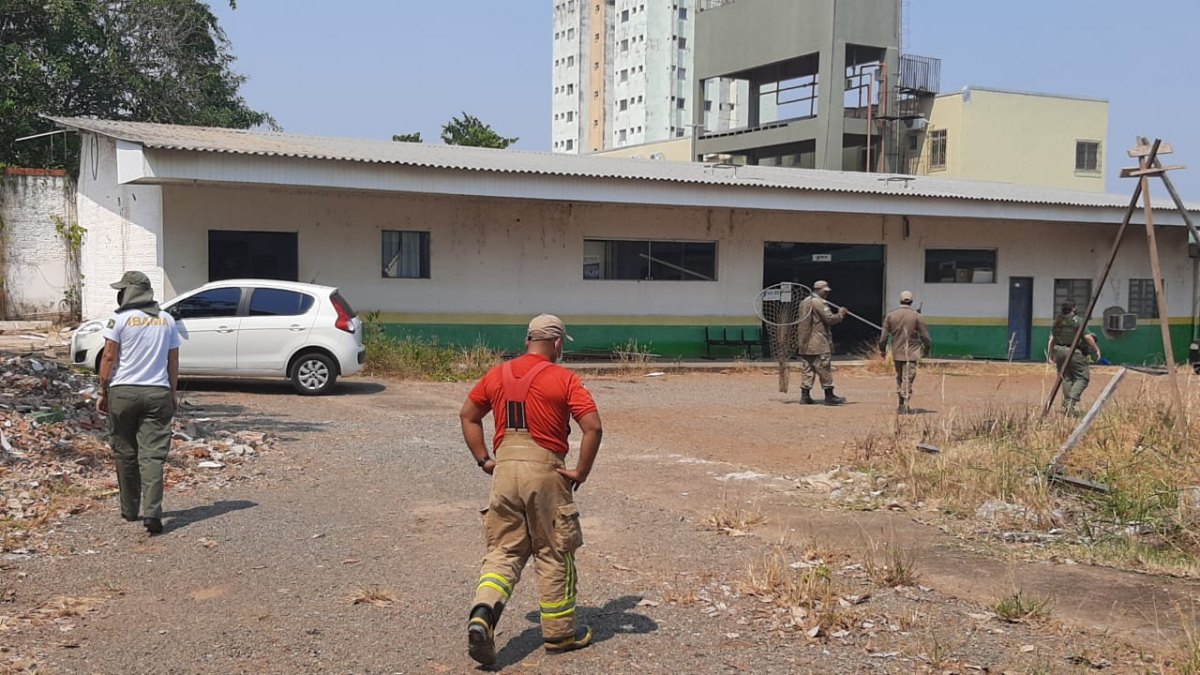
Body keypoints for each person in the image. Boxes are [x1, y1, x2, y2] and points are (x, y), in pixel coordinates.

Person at [460, 314, 603, 666]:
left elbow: (468, 415)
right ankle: (560, 635)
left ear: (527, 340)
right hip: (547, 471)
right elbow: (593, 428)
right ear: (557, 343)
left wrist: (484, 460)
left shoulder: (496, 374)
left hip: (505, 472)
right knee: (554, 551)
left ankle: (483, 613)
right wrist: (580, 472)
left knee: (503, 552)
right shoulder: (564, 377)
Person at [96, 271, 181, 535]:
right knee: (153, 455)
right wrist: (172, 393)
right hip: (157, 393)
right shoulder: (167, 320)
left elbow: (109, 357)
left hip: (123, 393)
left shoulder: (119, 319)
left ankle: (130, 509)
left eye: (122, 289)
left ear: (131, 292)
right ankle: (153, 513)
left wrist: (102, 391)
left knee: (125, 451)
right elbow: (173, 361)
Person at [878, 290, 933, 414]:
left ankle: (900, 403)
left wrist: (882, 350)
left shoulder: (891, 315)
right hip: (912, 352)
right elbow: (925, 337)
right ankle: (904, 404)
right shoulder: (917, 316)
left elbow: (883, 337)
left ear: (900, 300)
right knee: (908, 378)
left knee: (900, 377)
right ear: (911, 301)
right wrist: (927, 349)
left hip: (897, 352)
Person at [797, 280, 848, 405]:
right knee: (823, 367)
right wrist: (840, 314)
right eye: (824, 291)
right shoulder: (819, 302)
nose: (826, 294)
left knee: (807, 369)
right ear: (817, 290)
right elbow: (829, 319)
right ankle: (829, 396)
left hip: (804, 342)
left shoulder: (804, 302)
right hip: (818, 341)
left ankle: (805, 396)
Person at [1047, 301, 1101, 414]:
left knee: (1066, 377)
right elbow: (1087, 337)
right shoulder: (1078, 320)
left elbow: (1052, 339)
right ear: (1074, 308)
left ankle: (1067, 405)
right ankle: (1071, 401)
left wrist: (1051, 353)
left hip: (1059, 350)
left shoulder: (1058, 321)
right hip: (1074, 351)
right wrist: (1096, 349)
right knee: (1083, 377)